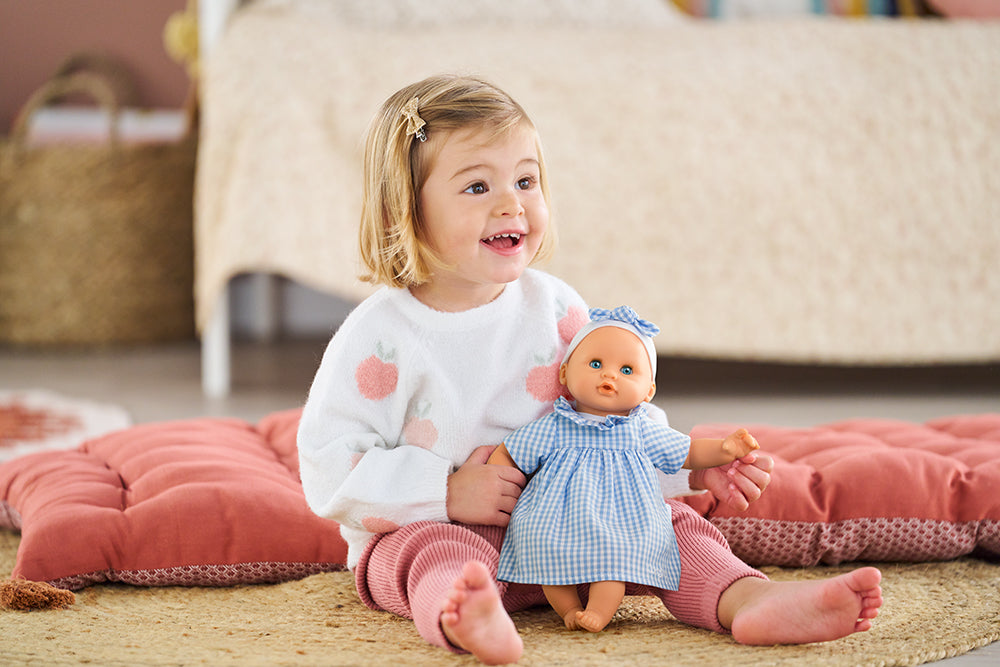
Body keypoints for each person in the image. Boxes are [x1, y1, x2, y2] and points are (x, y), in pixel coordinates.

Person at [296, 74, 883, 665]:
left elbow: (613, 417)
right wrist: (445, 493)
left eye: (525, 181)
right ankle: (468, 613)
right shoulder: (381, 336)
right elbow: (329, 463)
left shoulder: (556, 309)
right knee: (424, 554)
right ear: (405, 210)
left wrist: (693, 474)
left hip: (573, 537)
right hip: (442, 532)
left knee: (671, 525)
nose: (512, 204)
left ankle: (747, 598)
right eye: (477, 186)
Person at [488, 305, 764, 633]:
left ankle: (599, 611)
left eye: (627, 370)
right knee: (543, 549)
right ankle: (568, 609)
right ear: (564, 373)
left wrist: (724, 449)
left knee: (616, 559)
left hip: (620, 518)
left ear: (648, 392)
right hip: (555, 514)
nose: (609, 375)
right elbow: (511, 452)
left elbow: (687, 451)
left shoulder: (640, 430)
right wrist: (495, 482)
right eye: (595, 364)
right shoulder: (554, 426)